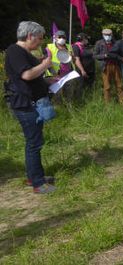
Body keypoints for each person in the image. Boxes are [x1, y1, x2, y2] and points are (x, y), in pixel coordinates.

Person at [4, 21, 56, 193]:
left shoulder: (24, 52)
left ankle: (34, 175)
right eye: (39, 38)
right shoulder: (15, 51)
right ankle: (37, 183)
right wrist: (45, 65)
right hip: (25, 104)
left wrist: (48, 80)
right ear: (30, 36)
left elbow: (33, 76)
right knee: (34, 143)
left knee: (33, 142)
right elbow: (26, 75)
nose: (40, 42)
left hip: (32, 102)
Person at [44, 30, 81, 102]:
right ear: (55, 37)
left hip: (68, 73)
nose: (61, 38)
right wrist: (53, 73)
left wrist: (72, 57)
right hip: (55, 73)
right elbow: (47, 61)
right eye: (59, 37)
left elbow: (73, 60)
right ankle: (58, 106)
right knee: (57, 92)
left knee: (69, 90)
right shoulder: (49, 47)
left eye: (63, 37)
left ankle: (68, 104)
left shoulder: (69, 46)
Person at [94, 28, 123, 104]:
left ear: (111, 35)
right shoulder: (99, 43)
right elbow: (95, 56)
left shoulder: (116, 43)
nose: (108, 36)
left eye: (109, 35)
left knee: (119, 85)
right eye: (106, 35)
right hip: (105, 66)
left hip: (116, 65)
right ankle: (108, 105)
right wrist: (104, 55)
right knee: (107, 87)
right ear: (103, 35)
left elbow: (120, 53)